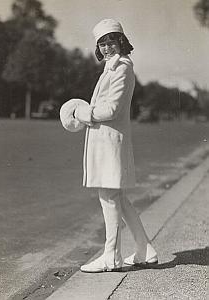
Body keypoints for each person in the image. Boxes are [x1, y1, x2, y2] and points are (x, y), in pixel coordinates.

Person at [74, 19, 158, 273]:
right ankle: (146, 250)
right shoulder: (110, 69)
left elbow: (112, 108)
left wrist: (83, 112)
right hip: (106, 142)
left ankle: (110, 257)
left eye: (111, 41)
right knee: (118, 198)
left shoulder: (122, 68)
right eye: (102, 43)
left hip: (111, 143)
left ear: (121, 42)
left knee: (109, 198)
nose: (107, 47)